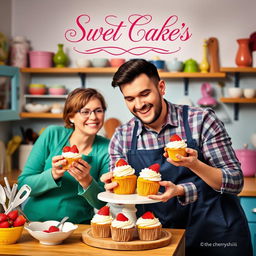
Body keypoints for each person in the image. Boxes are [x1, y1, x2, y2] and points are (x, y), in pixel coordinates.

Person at [101, 59, 253, 255]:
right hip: (162, 240)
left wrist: (194, 166)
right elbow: (127, 200)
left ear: (161, 87)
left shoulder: (201, 121)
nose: (139, 105)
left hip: (218, 236)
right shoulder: (122, 137)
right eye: (130, 98)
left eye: (145, 94)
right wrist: (115, 190)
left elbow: (235, 181)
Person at [18, 88, 109, 224]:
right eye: (85, 111)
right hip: (34, 223)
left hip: (78, 227)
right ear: (71, 117)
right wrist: (53, 174)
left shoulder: (107, 148)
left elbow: (102, 203)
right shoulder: (52, 134)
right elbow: (23, 185)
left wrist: (86, 181)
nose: (93, 117)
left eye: (98, 110)